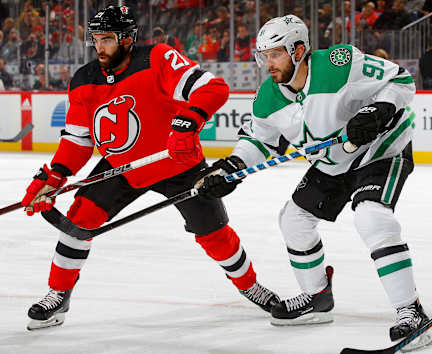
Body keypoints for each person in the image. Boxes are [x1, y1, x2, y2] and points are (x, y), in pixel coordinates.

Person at [21, 5, 279, 331]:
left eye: (107, 39)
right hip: (121, 167)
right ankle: (59, 293)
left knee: (214, 234)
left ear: (127, 39)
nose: (99, 47)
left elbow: (212, 89)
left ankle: (249, 285)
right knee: (78, 219)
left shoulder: (156, 58)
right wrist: (55, 175)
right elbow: (77, 142)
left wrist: (187, 124)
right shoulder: (84, 80)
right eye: (96, 39)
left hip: (177, 163)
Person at [195, 14, 432, 351]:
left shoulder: (339, 63)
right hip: (334, 161)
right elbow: (260, 141)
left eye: (274, 54)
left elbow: (402, 81)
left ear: (299, 50)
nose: (267, 63)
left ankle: (411, 311)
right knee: (293, 220)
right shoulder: (268, 96)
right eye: (263, 56)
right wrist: (231, 168)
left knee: (371, 216)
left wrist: (378, 110)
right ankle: (317, 297)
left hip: (380, 148)